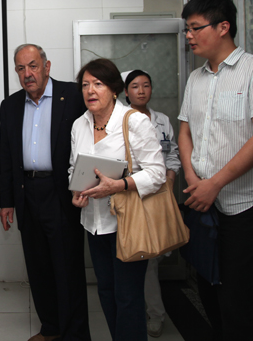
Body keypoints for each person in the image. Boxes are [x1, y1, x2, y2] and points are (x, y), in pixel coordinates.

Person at [178, 0, 253, 341]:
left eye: (195, 28)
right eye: (187, 29)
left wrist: (215, 183)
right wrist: (193, 177)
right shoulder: (196, 78)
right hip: (204, 203)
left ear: (223, 27)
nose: (189, 36)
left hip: (245, 206)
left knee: (237, 301)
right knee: (208, 290)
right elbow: (185, 131)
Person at [0, 43, 90, 341]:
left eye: (33, 66)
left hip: (61, 192)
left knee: (67, 268)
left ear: (47, 67)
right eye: (21, 68)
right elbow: (6, 155)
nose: (27, 74)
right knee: (38, 267)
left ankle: (75, 335)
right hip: (27, 193)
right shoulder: (10, 105)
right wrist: (6, 201)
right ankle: (50, 329)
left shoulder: (73, 95)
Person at [70, 59, 166, 340]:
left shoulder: (134, 121)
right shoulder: (79, 124)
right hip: (93, 222)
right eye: (85, 85)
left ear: (114, 89)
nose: (90, 90)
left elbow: (157, 173)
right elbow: (73, 168)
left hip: (128, 223)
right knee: (106, 291)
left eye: (98, 84)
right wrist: (76, 191)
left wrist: (119, 185)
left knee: (128, 296)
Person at [122, 69, 181, 338]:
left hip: (159, 196)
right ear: (126, 92)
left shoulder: (162, 121)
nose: (141, 91)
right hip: (132, 196)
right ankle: (144, 313)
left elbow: (172, 155)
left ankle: (154, 314)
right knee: (138, 258)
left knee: (152, 259)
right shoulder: (121, 120)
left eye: (146, 85)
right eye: (135, 86)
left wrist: (168, 180)